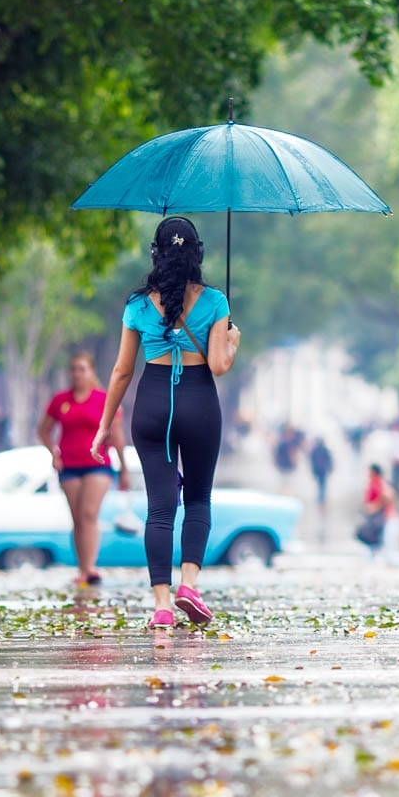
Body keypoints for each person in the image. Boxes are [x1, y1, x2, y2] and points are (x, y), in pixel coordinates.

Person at [95, 216, 241, 628]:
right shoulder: (215, 301)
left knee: (159, 508)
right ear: (198, 254)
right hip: (199, 404)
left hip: (152, 405)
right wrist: (232, 342)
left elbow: (122, 371)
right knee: (197, 499)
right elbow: (219, 365)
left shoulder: (137, 305)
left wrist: (104, 425)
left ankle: (161, 605)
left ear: (155, 255)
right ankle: (189, 586)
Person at [39, 352, 126, 587]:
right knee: (77, 518)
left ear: (91, 372)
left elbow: (117, 435)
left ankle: (90, 568)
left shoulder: (104, 399)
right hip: (69, 465)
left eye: (82, 369)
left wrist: (124, 467)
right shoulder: (61, 400)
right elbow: (44, 429)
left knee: (89, 514)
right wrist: (54, 454)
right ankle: (82, 568)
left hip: (98, 465)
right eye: (73, 369)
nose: (77, 374)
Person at [360, 463, 399, 564]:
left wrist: (376, 506)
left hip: (386, 520)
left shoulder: (376, 483)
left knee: (387, 551)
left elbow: (387, 496)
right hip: (384, 520)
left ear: (373, 472)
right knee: (376, 548)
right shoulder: (382, 483)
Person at [308, 437, 334, 508]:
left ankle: (321, 497)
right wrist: (330, 467)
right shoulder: (324, 450)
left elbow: (311, 461)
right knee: (322, 484)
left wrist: (313, 470)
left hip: (318, 469)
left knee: (320, 484)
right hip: (322, 469)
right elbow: (329, 459)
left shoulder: (315, 450)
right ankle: (322, 497)